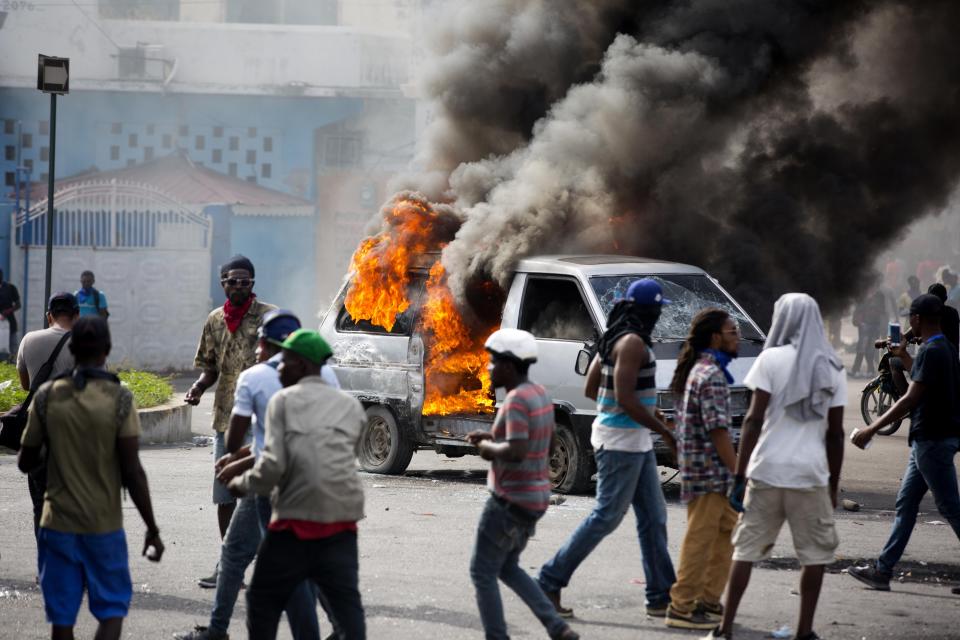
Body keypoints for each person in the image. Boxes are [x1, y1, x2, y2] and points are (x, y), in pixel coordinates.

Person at [175, 310, 334, 640]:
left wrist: (236, 460)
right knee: (295, 558)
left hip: (272, 484)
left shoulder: (255, 377)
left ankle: (220, 630)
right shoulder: (327, 375)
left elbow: (239, 440)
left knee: (261, 559)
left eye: (260, 343)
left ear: (265, 343)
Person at [17, 316, 164, 640]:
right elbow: (132, 471)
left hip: (57, 525)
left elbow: (25, 462)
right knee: (112, 611)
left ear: (73, 349)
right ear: (106, 349)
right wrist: (152, 529)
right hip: (103, 527)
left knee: (63, 618)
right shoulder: (120, 397)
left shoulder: (47, 397)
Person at [538, 278, 677, 618]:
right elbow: (625, 398)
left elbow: (593, 390)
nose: (659, 315)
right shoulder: (630, 342)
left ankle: (661, 595)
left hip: (632, 440)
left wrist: (644, 408)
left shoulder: (615, 337)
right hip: (620, 443)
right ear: (649, 310)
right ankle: (549, 581)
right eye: (657, 310)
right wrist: (666, 432)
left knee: (653, 517)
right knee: (606, 516)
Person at [710, 293, 846, 640]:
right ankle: (803, 631)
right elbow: (835, 435)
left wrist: (739, 475)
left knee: (746, 551)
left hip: (766, 470)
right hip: (809, 475)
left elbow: (754, 420)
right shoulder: (831, 366)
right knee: (813, 557)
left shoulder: (769, 359)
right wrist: (832, 485)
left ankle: (724, 630)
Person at [229, 329, 366, 639]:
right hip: (342, 524)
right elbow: (345, 458)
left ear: (303, 365)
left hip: (295, 525)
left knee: (261, 600)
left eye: (284, 362)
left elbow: (273, 466)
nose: (278, 369)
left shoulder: (283, 401)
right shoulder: (351, 406)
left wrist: (242, 484)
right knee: (347, 608)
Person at [465, 329, 579, 640]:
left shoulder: (515, 401)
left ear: (510, 366)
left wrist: (488, 450)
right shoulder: (539, 393)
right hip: (535, 498)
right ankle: (557, 628)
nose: (488, 368)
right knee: (507, 567)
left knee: (482, 572)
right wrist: (491, 437)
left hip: (509, 502)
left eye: (493, 362)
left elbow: (515, 450)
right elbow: (547, 438)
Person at [848, 294, 960, 592]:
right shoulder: (943, 348)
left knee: (951, 508)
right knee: (906, 504)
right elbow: (924, 379)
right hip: (928, 441)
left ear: (917, 319)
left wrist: (871, 428)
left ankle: (883, 570)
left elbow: (911, 397)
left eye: (911, 317)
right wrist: (904, 355)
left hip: (931, 441)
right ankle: (882, 571)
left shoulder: (932, 350)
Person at [185, 254, 276, 588]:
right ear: (222, 282)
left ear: (252, 283)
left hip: (262, 419)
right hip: (225, 418)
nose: (238, 286)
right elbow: (210, 366)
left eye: (245, 281)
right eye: (232, 281)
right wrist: (197, 387)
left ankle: (267, 568)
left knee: (259, 497)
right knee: (225, 495)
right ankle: (229, 566)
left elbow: (286, 364)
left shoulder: (270, 317)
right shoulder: (213, 320)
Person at [665, 309, 740, 630]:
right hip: (708, 471)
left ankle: (708, 601)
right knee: (701, 538)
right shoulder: (710, 376)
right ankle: (681, 607)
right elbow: (718, 431)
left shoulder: (707, 370)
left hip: (710, 470)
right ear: (715, 338)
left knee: (724, 532)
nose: (737, 337)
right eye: (732, 332)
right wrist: (740, 473)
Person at [16, 292, 80, 541]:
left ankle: (47, 567)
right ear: (77, 315)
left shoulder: (29, 340)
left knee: (41, 504)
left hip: (37, 432)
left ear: (48, 315)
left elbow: (25, 385)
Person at [851, 290, 886, 378]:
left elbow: (882, 310)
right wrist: (859, 322)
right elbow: (858, 310)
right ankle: (857, 370)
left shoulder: (879, 295)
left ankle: (867, 370)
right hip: (865, 326)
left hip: (874, 326)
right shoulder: (862, 296)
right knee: (862, 349)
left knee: (870, 349)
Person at [0, 269, 22, 356]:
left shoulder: (10, 287)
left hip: (9, 321)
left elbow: (18, 305)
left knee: (13, 346)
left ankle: (12, 362)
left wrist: (6, 312)